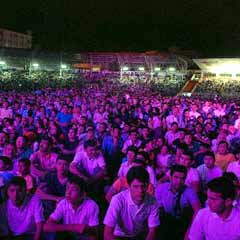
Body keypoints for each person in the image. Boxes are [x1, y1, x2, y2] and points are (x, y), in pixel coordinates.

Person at [104, 166, 160, 240]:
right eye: (136, 187)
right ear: (129, 186)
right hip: (118, 235)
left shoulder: (153, 201)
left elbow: (152, 231)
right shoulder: (117, 200)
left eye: (143, 186)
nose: (140, 190)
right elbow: (107, 233)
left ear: (147, 185)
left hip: (138, 235)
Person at [44, 176, 99, 240]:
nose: (68, 193)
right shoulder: (63, 203)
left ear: (83, 195)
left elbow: (94, 235)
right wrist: (74, 227)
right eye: (67, 188)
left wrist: (86, 230)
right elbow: (46, 227)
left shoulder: (91, 206)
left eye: (73, 189)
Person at [155, 164, 201, 240]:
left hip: (182, 224)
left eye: (182, 178)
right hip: (165, 222)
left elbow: (197, 210)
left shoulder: (189, 191)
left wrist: (189, 232)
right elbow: (155, 209)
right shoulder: (161, 188)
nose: (179, 181)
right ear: (170, 177)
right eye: (176, 177)